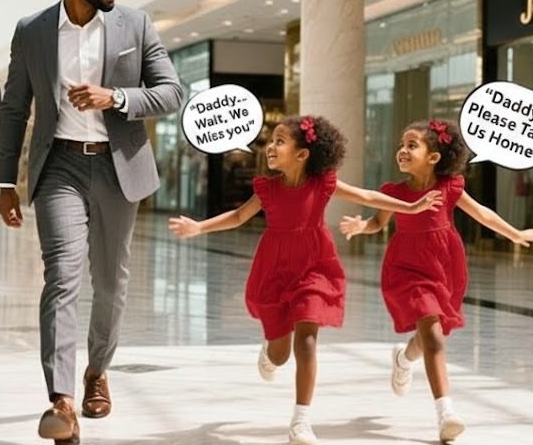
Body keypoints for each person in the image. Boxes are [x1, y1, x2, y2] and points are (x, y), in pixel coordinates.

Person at [0, 0, 183, 443]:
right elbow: (15, 109)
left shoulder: (135, 24)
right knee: (62, 275)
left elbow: (172, 92)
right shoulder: (33, 31)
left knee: (110, 282)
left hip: (118, 168)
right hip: (58, 168)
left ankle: (97, 371)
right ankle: (61, 399)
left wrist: (115, 97)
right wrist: (5, 181)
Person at [169, 115, 442, 445]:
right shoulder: (267, 188)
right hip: (274, 269)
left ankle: (301, 420)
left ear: (302, 154)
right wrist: (200, 227)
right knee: (281, 354)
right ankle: (270, 350)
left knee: (308, 337)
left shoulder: (323, 182)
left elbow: (368, 197)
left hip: (315, 266)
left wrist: (410, 207)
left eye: (280, 141)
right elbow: (239, 216)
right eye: (271, 140)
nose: (270, 146)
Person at [340, 119, 533, 442]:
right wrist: (360, 226)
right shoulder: (395, 192)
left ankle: (403, 358)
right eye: (401, 145)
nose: (402, 151)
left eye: (411, 145)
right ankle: (446, 412)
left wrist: (514, 234)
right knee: (434, 337)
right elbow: (378, 222)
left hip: (444, 267)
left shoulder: (449, 188)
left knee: (429, 336)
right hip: (406, 268)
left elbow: (483, 214)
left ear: (433, 157)